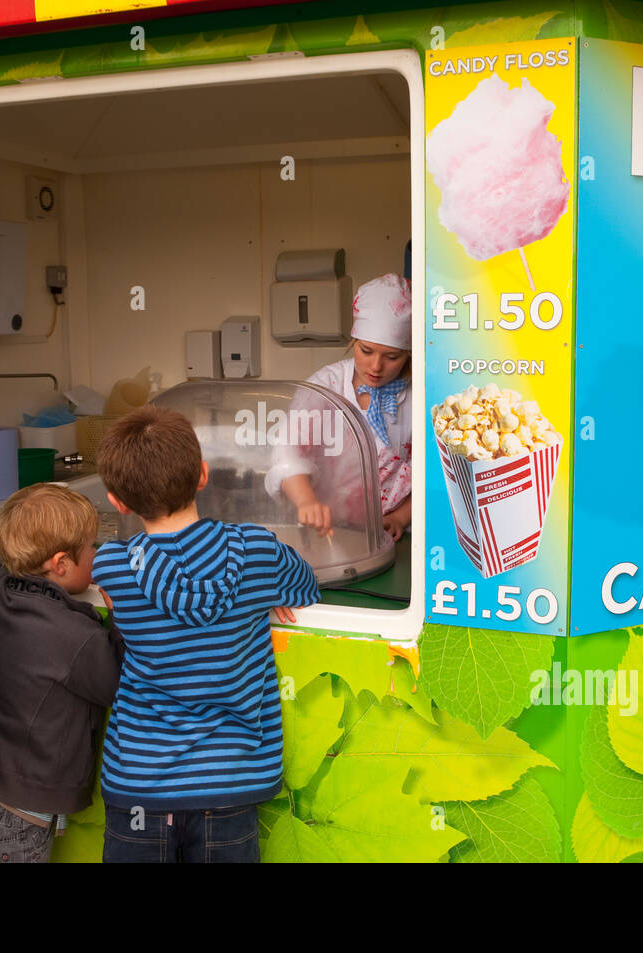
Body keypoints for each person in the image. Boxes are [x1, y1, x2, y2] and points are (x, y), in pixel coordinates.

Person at [92, 405, 319, 863]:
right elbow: (306, 585)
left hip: (139, 783)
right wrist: (264, 589)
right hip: (229, 784)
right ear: (202, 474)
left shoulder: (111, 566)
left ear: (117, 501)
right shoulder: (257, 552)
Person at [0, 483, 124, 863]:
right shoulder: (74, 638)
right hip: (18, 818)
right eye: (92, 548)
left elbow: (5, 560)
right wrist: (120, 610)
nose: (97, 555)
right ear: (61, 563)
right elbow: (119, 681)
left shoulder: (0, 588)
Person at [272, 273, 413, 541]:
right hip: (327, 530)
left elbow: (436, 471)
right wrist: (306, 502)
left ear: (408, 354)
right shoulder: (325, 386)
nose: (376, 367)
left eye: (392, 357)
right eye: (366, 351)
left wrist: (400, 517)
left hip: (393, 534)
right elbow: (287, 451)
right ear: (353, 342)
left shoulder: (420, 398)